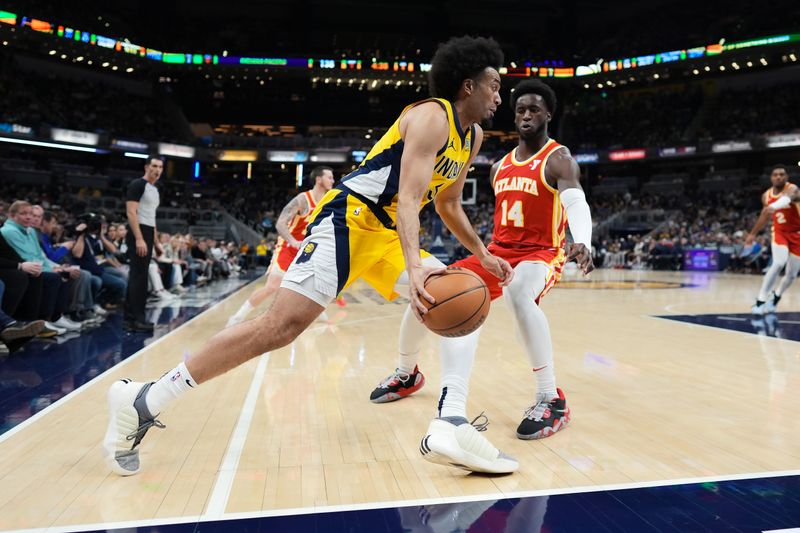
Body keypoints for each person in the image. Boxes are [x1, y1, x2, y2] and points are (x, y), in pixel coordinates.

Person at [104, 35, 516, 476]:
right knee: (279, 328)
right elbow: (413, 197)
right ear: (468, 85)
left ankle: (451, 421)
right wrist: (415, 266)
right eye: (493, 84)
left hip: (389, 231)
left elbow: (448, 204)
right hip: (351, 218)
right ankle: (144, 399)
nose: (499, 95)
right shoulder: (432, 115)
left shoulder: (472, 137)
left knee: (461, 294)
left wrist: (483, 254)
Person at [371, 80, 593, 468]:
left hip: (543, 253)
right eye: (520, 109)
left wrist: (583, 240)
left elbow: (575, 199)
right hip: (498, 253)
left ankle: (550, 398)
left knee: (521, 294)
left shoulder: (559, 159)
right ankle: (407, 372)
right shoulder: (499, 166)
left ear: (548, 115)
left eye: (534, 109)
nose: (526, 115)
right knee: (433, 291)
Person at [227, 166, 335, 327]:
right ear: (319, 179)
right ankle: (238, 317)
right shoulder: (303, 199)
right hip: (288, 247)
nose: (333, 180)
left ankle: (315, 313)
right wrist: (293, 241)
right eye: (329, 177)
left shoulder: (328, 201)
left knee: (314, 284)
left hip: (308, 250)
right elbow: (280, 223)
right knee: (272, 287)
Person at [746, 165, 799, 314]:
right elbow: (764, 216)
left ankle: (776, 297)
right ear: (771, 178)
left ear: (786, 177)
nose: (778, 177)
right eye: (775, 175)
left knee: (792, 274)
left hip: (797, 234)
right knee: (778, 262)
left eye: (782, 174)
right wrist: (752, 234)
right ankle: (760, 301)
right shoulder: (766, 195)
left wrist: (773, 206)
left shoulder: (793, 188)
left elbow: (788, 198)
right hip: (780, 232)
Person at [124, 156, 164, 332]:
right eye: (154, 166)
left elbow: (151, 217)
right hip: (137, 231)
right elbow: (131, 213)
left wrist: (156, 242)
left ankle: (134, 317)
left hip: (147, 231)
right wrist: (139, 238)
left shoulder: (154, 190)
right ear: (147, 167)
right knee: (138, 277)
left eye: (160, 167)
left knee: (141, 277)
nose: (157, 169)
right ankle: (134, 319)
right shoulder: (137, 185)